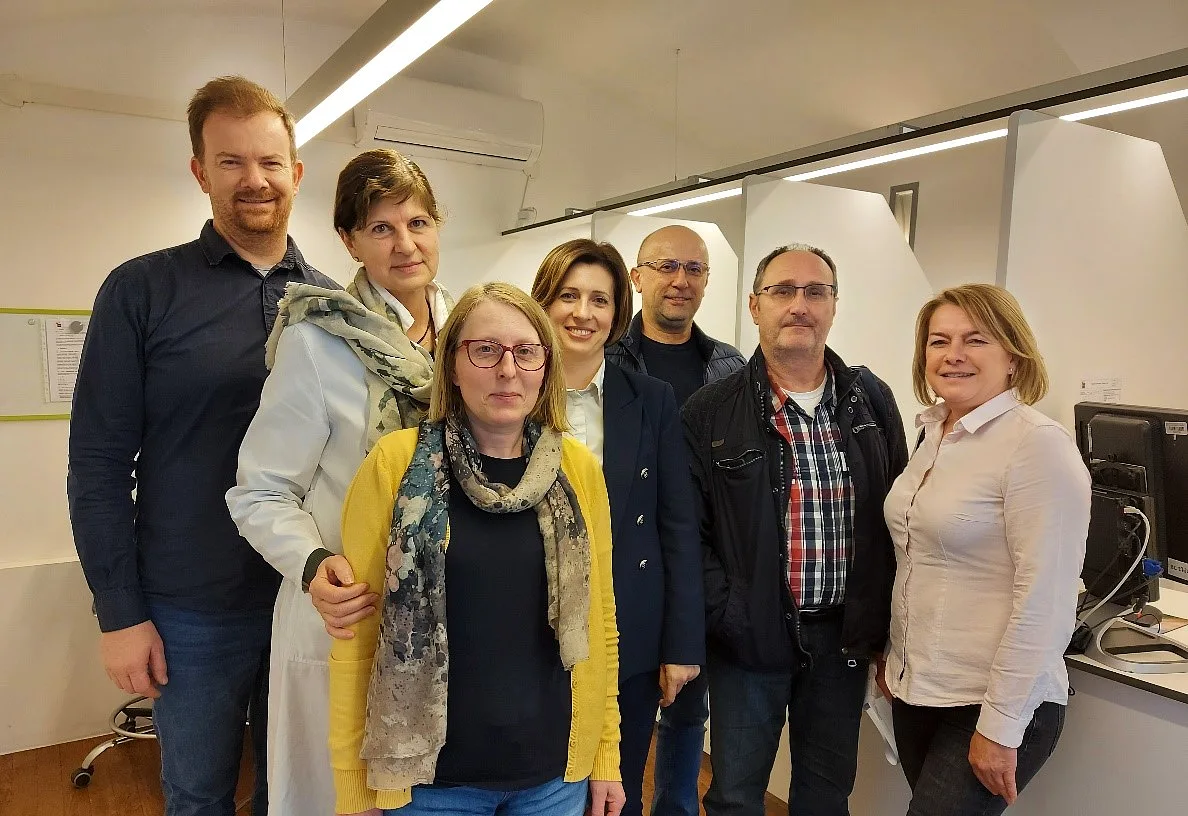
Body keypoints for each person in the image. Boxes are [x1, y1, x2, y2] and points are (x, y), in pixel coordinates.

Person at [67, 75, 338, 816]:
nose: (255, 180)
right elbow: (96, 465)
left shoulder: (333, 304)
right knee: (198, 796)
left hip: (306, 599)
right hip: (190, 609)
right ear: (199, 171)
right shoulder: (141, 291)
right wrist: (120, 613)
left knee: (300, 793)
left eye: (270, 162)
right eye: (231, 161)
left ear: (296, 172)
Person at [328, 282, 626, 816]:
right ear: (452, 366)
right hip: (428, 786)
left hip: (553, 779)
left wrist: (605, 755)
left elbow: (601, 621)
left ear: (545, 366)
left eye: (526, 351)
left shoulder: (577, 470)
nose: (508, 370)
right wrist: (355, 787)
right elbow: (358, 635)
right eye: (485, 350)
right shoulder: (395, 466)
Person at [225, 148, 453, 815]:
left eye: (417, 223)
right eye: (381, 228)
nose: (405, 244)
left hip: (447, 614)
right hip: (348, 610)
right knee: (341, 796)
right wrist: (312, 563)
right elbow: (260, 489)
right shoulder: (319, 342)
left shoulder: (470, 337)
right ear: (350, 241)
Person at [682, 243, 908, 816]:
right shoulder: (710, 411)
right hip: (749, 637)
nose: (799, 305)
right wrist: (727, 612)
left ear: (834, 305)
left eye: (815, 292)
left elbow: (896, 520)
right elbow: (688, 533)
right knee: (735, 796)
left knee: (826, 797)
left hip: (843, 640)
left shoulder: (871, 400)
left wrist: (882, 627)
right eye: (783, 290)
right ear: (755, 305)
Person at [882, 284, 1090, 815]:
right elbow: (917, 562)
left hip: (991, 702)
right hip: (918, 690)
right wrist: (892, 658)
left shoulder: (1035, 445)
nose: (953, 354)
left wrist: (1000, 726)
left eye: (975, 340)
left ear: (1014, 357)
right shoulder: (933, 434)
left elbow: (1046, 600)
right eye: (939, 341)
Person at [530, 239, 704, 816]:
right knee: (536, 787)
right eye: (568, 296)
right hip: (525, 627)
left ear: (617, 312)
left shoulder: (651, 399)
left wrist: (681, 645)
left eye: (599, 300)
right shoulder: (508, 393)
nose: (583, 313)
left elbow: (677, 525)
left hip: (626, 628)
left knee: (615, 792)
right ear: (543, 303)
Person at [605, 224, 744, 816]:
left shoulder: (730, 367)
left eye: (694, 269)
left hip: (698, 566)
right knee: (617, 719)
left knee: (687, 711)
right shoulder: (609, 358)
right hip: (626, 564)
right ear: (637, 278)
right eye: (666, 266)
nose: (680, 281)